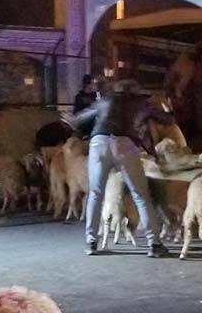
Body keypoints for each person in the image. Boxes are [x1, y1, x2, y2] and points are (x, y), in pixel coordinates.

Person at [73, 79, 174, 258]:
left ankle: (91, 242)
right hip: (124, 143)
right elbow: (168, 120)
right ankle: (154, 244)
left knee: (96, 193)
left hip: (98, 143)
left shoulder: (104, 100)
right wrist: (169, 108)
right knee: (140, 194)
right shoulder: (141, 103)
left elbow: (78, 119)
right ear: (134, 91)